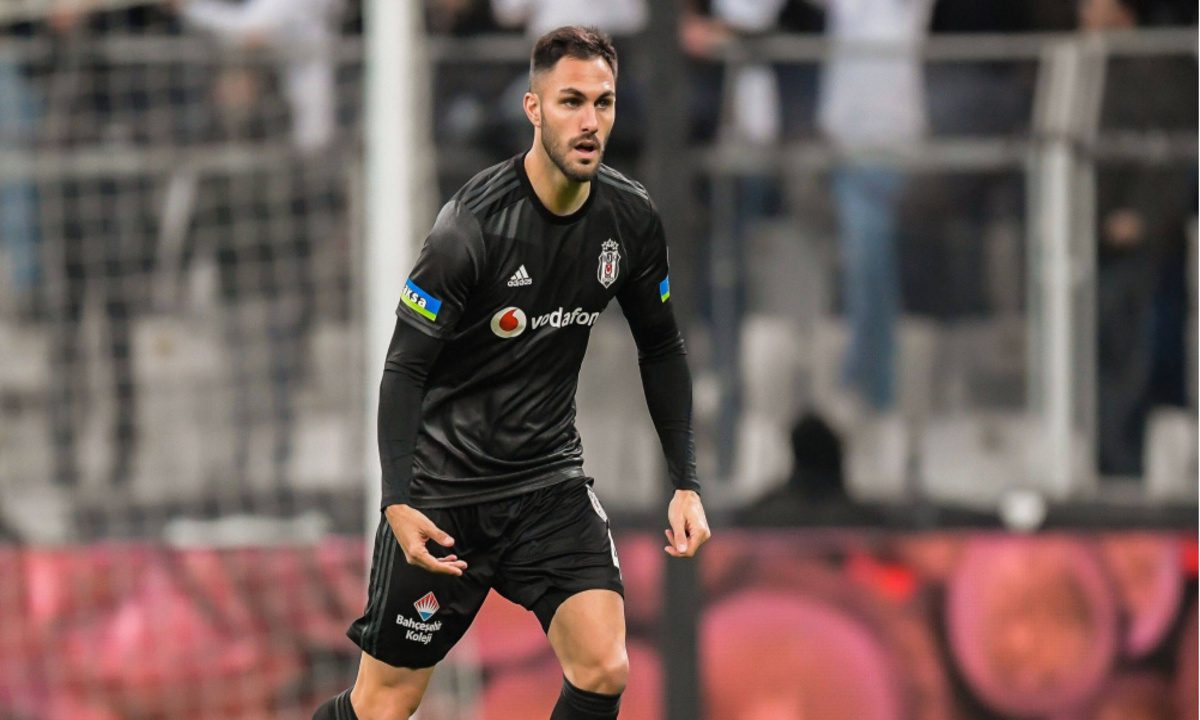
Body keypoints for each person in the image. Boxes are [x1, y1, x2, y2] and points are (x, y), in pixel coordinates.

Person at [313, 26, 711, 720]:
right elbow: (404, 368)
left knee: (605, 666)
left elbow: (662, 347)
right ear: (533, 108)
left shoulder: (630, 218)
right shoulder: (470, 228)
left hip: (547, 485)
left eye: (604, 103)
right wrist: (398, 500)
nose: (589, 122)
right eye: (570, 102)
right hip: (445, 495)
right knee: (383, 705)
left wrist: (685, 481)